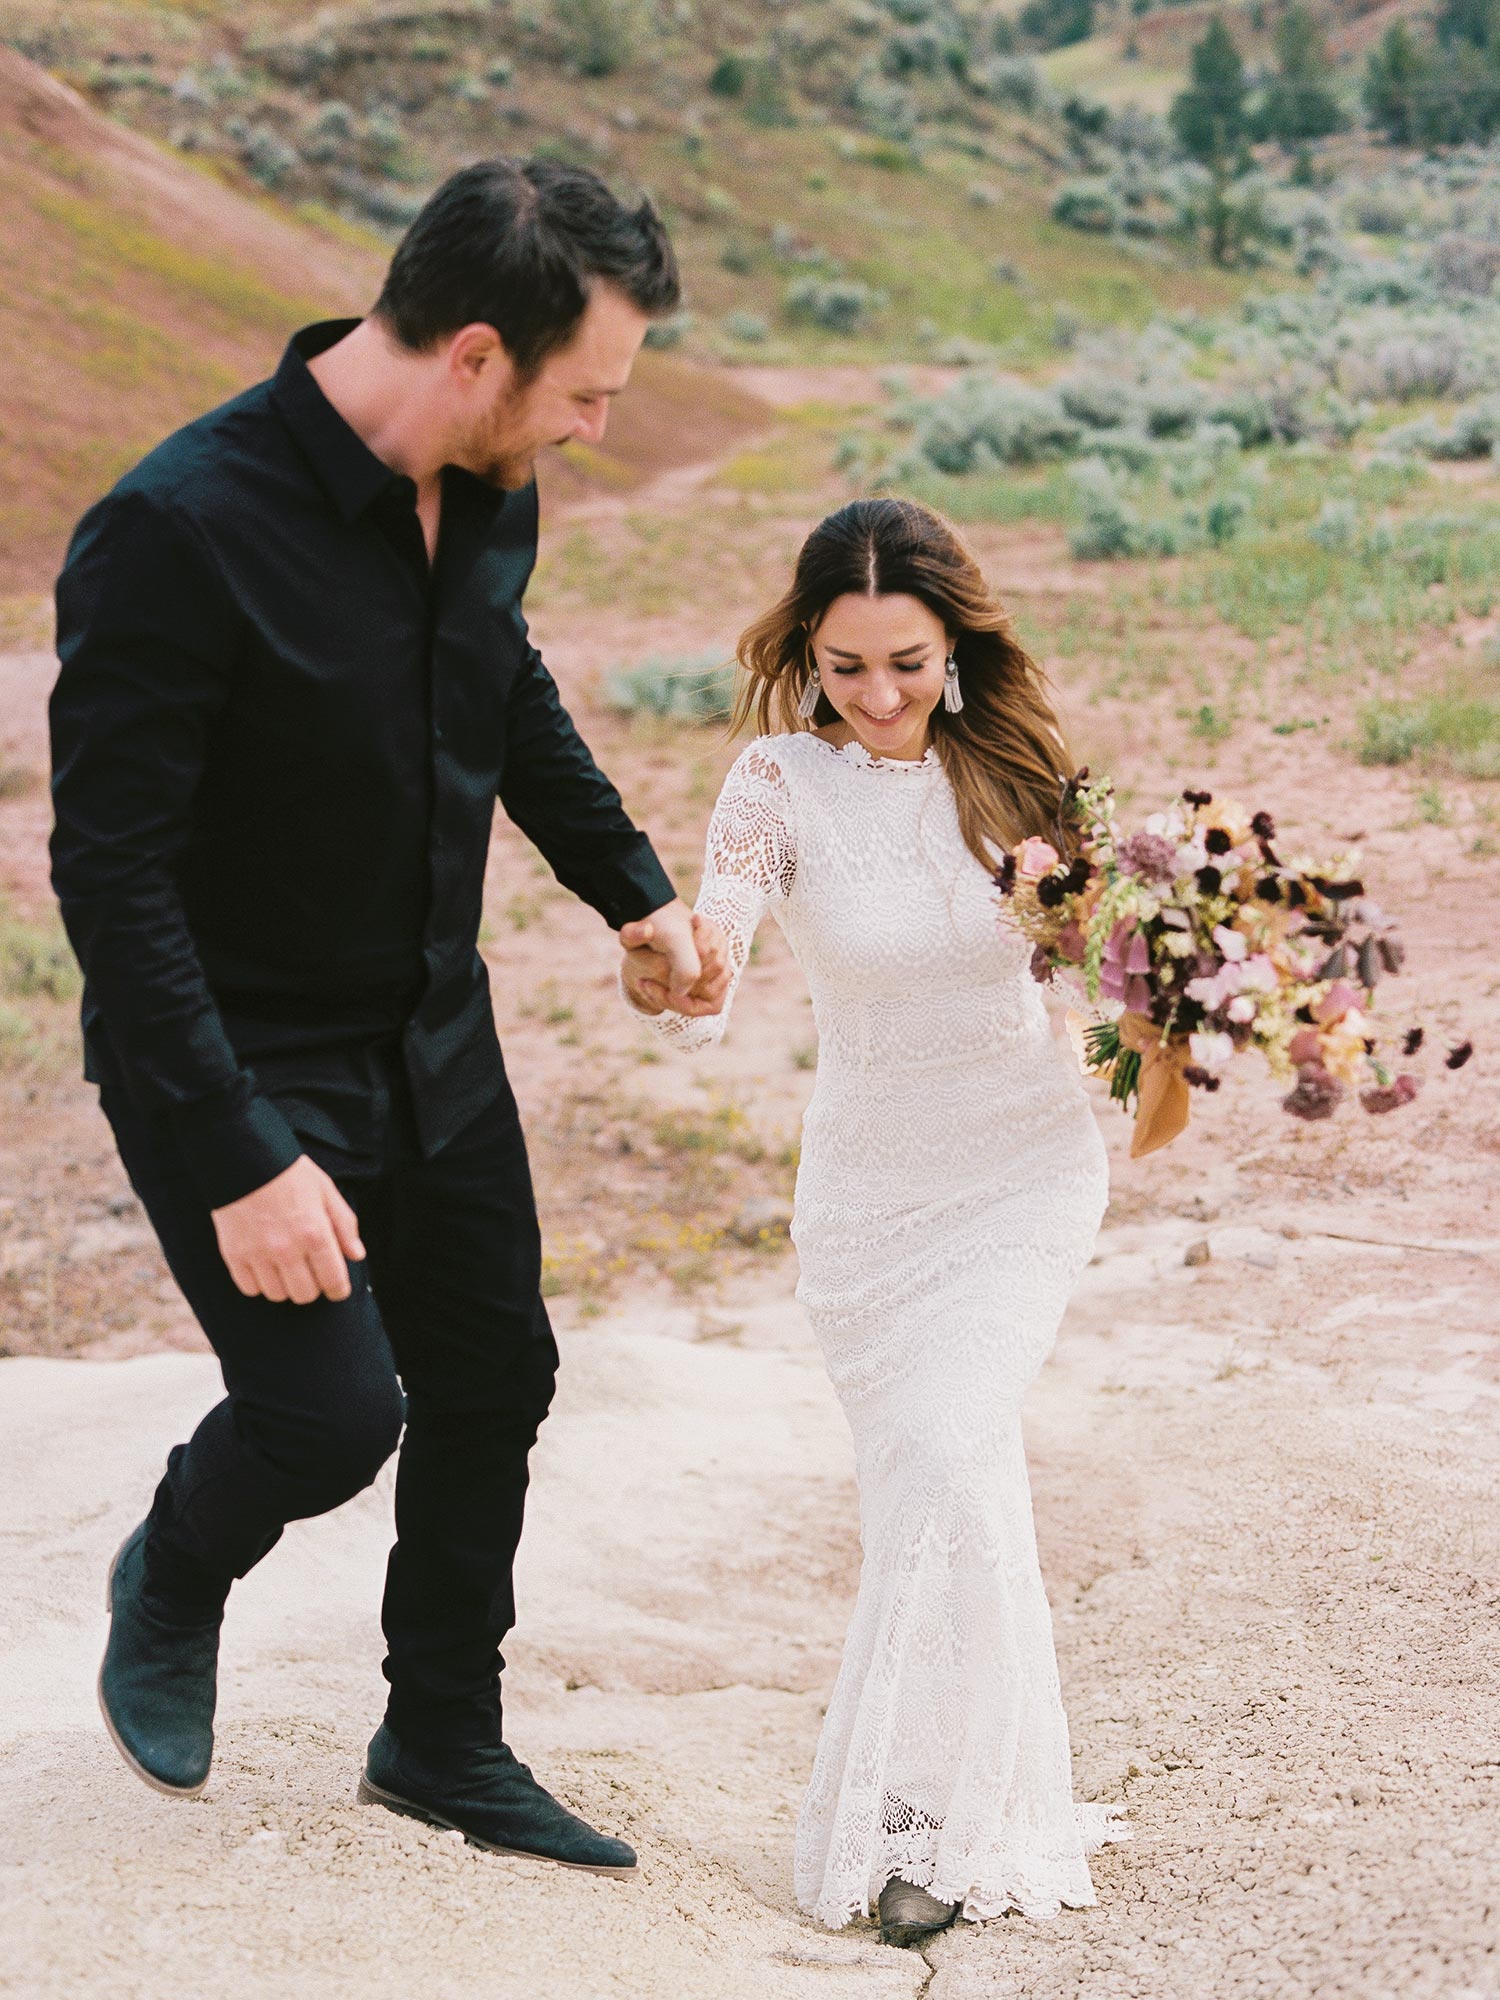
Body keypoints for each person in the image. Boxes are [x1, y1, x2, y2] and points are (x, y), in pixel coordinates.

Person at [49, 156, 727, 1872]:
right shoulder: (177, 529)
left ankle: (439, 1737)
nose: (596, 429)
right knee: (332, 1416)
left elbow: (501, 684)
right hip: (235, 1054)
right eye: (587, 393)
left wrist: (632, 890)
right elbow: (110, 881)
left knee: (498, 1375)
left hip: (433, 1030)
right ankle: (173, 1570)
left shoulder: (489, 497)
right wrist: (239, 1154)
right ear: (481, 353)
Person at [620, 497, 1130, 1946]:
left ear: (954, 644)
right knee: (931, 1484)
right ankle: (955, 1803)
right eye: (847, 666)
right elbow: (720, 935)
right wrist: (680, 972)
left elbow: (1109, 980)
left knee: (950, 1450)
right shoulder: (775, 783)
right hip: (868, 1202)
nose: (881, 693)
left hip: (1024, 1174)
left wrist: (1174, 976)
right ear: (809, 657)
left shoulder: (1020, 774)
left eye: (906, 660)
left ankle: (926, 1829)